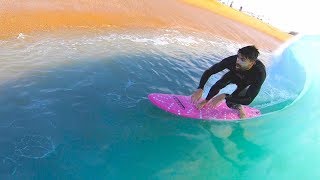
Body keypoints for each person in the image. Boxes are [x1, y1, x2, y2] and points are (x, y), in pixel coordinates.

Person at [191, 45, 266, 118]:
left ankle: (239, 108)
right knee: (218, 84)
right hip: (234, 75)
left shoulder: (259, 73)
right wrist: (200, 88)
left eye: (242, 60)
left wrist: (225, 96)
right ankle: (206, 101)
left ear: (252, 63)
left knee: (230, 102)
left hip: (247, 82)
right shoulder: (231, 61)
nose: (238, 61)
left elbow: (248, 100)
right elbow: (209, 71)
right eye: (238, 57)